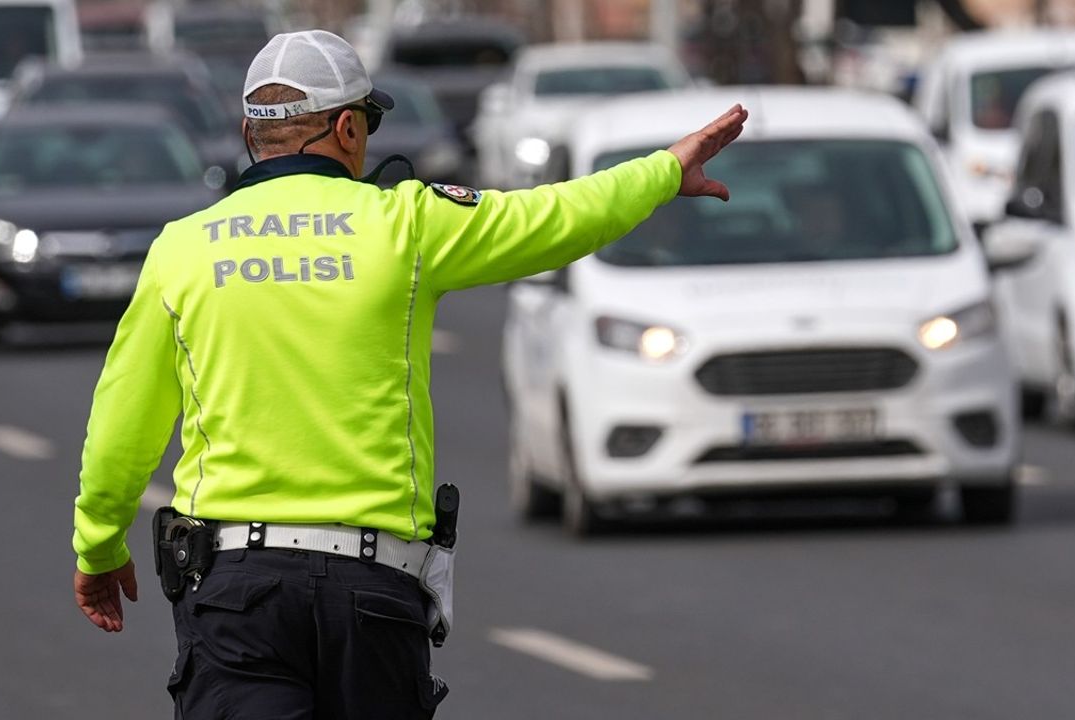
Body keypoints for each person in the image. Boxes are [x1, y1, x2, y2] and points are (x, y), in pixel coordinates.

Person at [72, 29, 746, 719]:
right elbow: (557, 218)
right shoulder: (408, 224)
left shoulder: (181, 250)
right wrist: (665, 171)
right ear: (346, 128)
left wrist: (98, 546)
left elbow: (123, 422)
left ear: (252, 133)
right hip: (372, 592)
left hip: (238, 592)